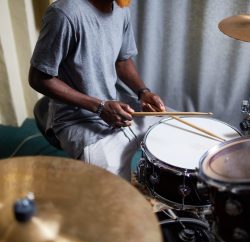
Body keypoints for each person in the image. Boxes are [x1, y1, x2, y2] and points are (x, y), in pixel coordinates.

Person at [29, 0, 166, 180]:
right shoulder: (63, 14)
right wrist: (100, 107)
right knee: (113, 188)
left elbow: (122, 61)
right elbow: (38, 78)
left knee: (171, 130)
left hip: (116, 104)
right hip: (76, 119)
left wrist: (143, 91)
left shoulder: (121, 8)